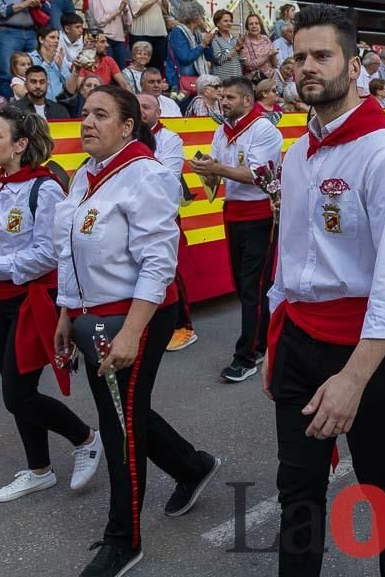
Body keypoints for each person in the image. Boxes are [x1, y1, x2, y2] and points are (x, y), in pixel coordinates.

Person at [264, 4, 385, 576]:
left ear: (354, 65)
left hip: (367, 353)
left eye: (322, 55)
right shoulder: (296, 152)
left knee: (383, 486)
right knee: (297, 490)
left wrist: (354, 378)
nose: (307, 67)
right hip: (299, 344)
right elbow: (290, 259)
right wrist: (275, 339)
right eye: (299, 56)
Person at [52, 86, 222, 576]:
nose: (86, 121)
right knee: (124, 410)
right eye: (84, 113)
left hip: (134, 317)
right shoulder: (86, 175)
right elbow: (71, 252)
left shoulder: (146, 176)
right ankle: (192, 467)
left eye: (100, 114)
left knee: (118, 423)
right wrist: (67, 312)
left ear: (128, 126)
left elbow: (158, 263)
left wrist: (131, 333)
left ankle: (122, 540)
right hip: (92, 316)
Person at [0, 107, 103, 503]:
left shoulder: (45, 188)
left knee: (16, 394)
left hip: (32, 300)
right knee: (18, 387)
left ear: (20, 144)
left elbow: (50, 254)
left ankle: (86, 437)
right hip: (1, 299)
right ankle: (39, 469)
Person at [190, 76, 284, 382]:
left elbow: (259, 176)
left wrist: (215, 168)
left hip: (259, 213)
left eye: (230, 97)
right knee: (246, 287)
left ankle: (247, 355)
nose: (224, 102)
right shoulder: (222, 130)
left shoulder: (264, 129)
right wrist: (206, 169)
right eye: (221, 98)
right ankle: (263, 342)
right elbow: (217, 177)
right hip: (233, 213)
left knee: (253, 287)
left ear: (247, 100)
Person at [139, 93, 198, 353]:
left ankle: (183, 327)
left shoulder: (169, 138)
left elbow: (168, 179)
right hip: (135, 215)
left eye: (146, 107)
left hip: (161, 215)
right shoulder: (125, 138)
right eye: (136, 106)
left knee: (169, 270)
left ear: (158, 112)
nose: (141, 111)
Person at [126, 0, 170, 71]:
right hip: (140, 33)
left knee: (157, 69)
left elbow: (166, 11)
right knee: (140, 68)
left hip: (159, 34)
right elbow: (136, 10)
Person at [86, 0, 133, 71]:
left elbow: (128, 23)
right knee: (106, 70)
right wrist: (118, 11)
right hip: (104, 39)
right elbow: (100, 21)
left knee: (120, 70)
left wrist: (125, 11)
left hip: (120, 40)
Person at [165, 4, 207, 90]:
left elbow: (210, 56)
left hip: (195, 80)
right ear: (195, 17)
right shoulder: (178, 32)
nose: (203, 19)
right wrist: (202, 45)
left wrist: (206, 33)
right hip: (180, 82)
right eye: (202, 16)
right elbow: (185, 58)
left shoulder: (196, 33)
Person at [30, 26, 69, 101]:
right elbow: (36, 81)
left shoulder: (59, 57)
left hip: (60, 105)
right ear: (41, 39)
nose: (56, 41)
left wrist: (61, 67)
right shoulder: (30, 58)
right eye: (52, 37)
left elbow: (70, 86)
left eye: (58, 38)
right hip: (39, 103)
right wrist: (47, 62)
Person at [203, 9, 243, 80]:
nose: (229, 23)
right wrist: (236, 48)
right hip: (223, 81)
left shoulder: (235, 39)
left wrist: (241, 48)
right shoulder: (214, 39)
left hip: (237, 80)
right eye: (225, 21)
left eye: (230, 21)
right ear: (217, 23)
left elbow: (240, 59)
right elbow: (219, 60)